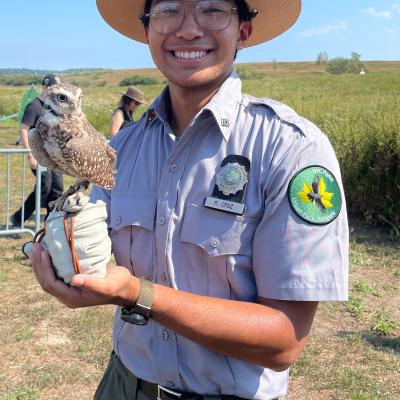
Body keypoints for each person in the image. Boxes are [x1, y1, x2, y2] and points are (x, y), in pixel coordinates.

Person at [30, 1, 349, 399]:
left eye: (212, 9)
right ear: (147, 31)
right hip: (123, 384)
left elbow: (285, 340)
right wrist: (64, 256)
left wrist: (136, 294)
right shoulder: (122, 148)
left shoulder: (291, 149)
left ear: (243, 32)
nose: (187, 29)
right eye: (167, 10)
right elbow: (89, 242)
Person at [11, 74, 64, 226]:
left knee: (57, 190)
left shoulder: (54, 108)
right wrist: (30, 155)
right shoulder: (34, 106)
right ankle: (18, 219)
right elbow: (23, 130)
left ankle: (50, 225)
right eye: (52, 89)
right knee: (44, 188)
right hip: (39, 156)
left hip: (54, 157)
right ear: (45, 87)